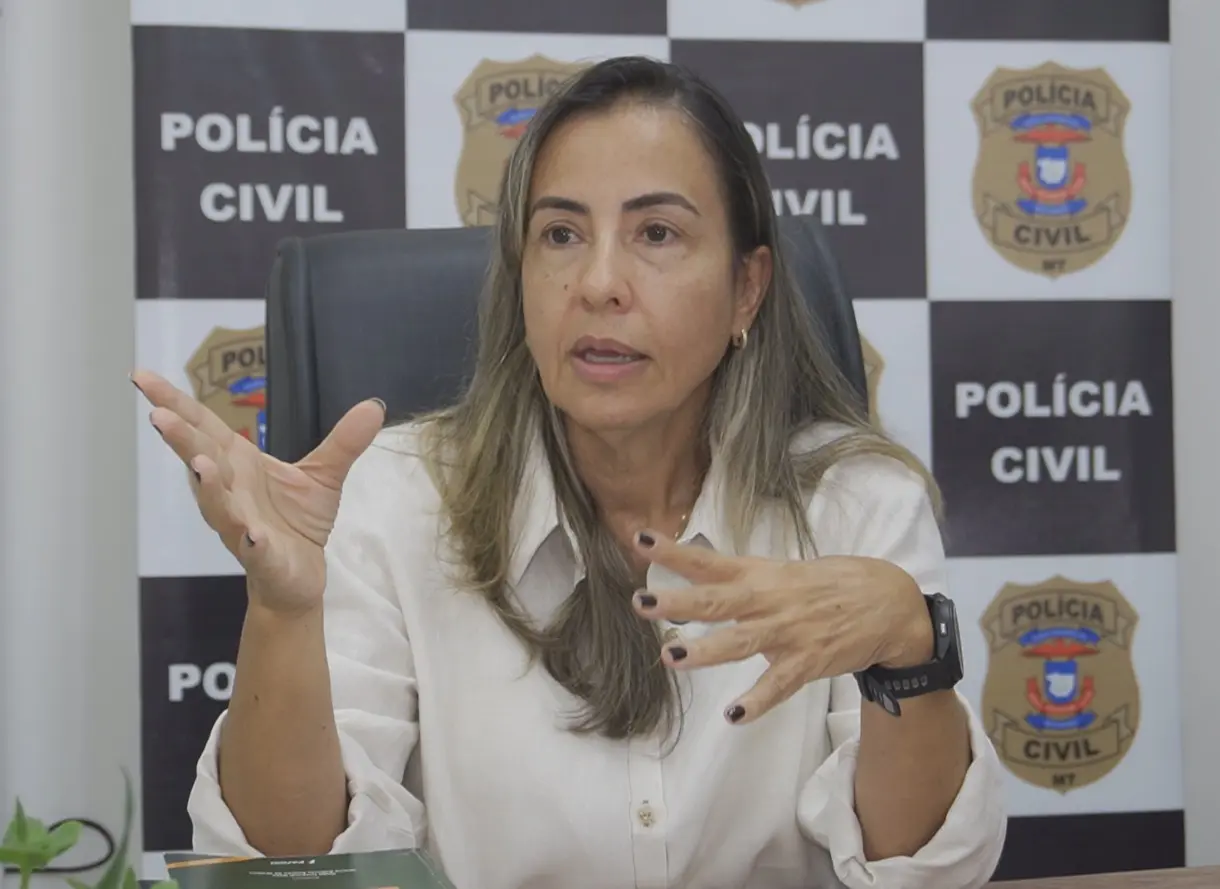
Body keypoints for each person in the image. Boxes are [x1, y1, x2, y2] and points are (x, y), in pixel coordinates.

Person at [133, 56, 1006, 889]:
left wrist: (909, 652)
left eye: (656, 233)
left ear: (748, 290)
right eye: (560, 234)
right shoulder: (396, 497)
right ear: (521, 276)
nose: (598, 283)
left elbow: (924, 871)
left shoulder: (855, 503)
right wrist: (284, 612)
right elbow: (293, 870)